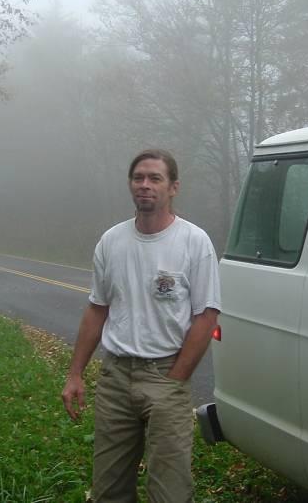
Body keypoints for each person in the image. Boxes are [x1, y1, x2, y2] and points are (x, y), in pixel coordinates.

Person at [61, 149, 221, 503]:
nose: (145, 185)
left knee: (170, 492)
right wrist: (75, 374)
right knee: (109, 490)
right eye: (138, 178)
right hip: (116, 377)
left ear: (173, 187)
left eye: (155, 178)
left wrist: (176, 379)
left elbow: (206, 317)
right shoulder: (111, 241)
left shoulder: (194, 242)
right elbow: (96, 310)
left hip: (166, 374)